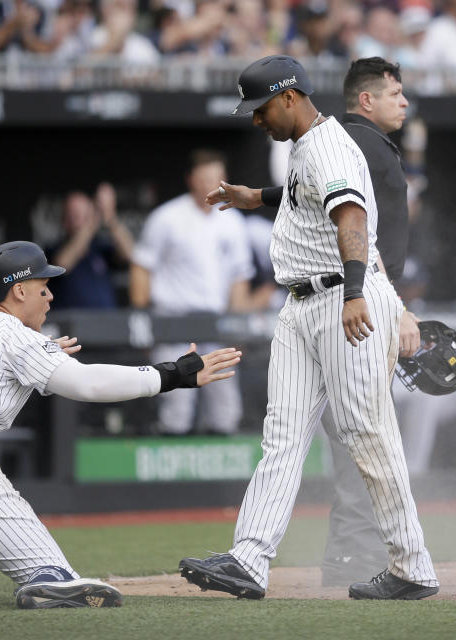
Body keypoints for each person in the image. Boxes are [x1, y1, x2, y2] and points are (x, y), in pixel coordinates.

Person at [0, 240, 242, 608]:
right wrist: (172, 374)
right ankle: (42, 575)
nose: (50, 295)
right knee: (54, 578)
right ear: (18, 290)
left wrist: (44, 350)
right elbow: (88, 383)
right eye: (42, 286)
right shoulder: (17, 337)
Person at [179, 55, 439, 601]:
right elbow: (312, 197)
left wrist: (353, 292)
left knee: (368, 433)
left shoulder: (327, 143)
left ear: (290, 97)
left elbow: (352, 217)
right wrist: (257, 197)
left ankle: (412, 567)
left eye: (261, 108)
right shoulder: (308, 145)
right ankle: (248, 559)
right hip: (302, 305)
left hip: (343, 297)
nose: (256, 120)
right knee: (283, 436)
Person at [130, 149, 254, 436]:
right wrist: (143, 319)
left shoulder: (232, 221)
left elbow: (239, 277)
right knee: (176, 403)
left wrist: (239, 329)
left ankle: (222, 477)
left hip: (217, 322)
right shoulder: (167, 217)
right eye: (205, 178)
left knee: (225, 405)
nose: (212, 184)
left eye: (217, 177)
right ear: (191, 180)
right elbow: (141, 267)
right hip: (174, 321)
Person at [48, 183, 133, 310]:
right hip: (71, 325)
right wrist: (92, 222)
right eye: (76, 215)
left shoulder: (99, 248)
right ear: (64, 220)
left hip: (106, 323)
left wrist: (110, 218)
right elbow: (63, 263)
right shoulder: (54, 249)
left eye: (85, 215)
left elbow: (131, 254)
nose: (82, 221)